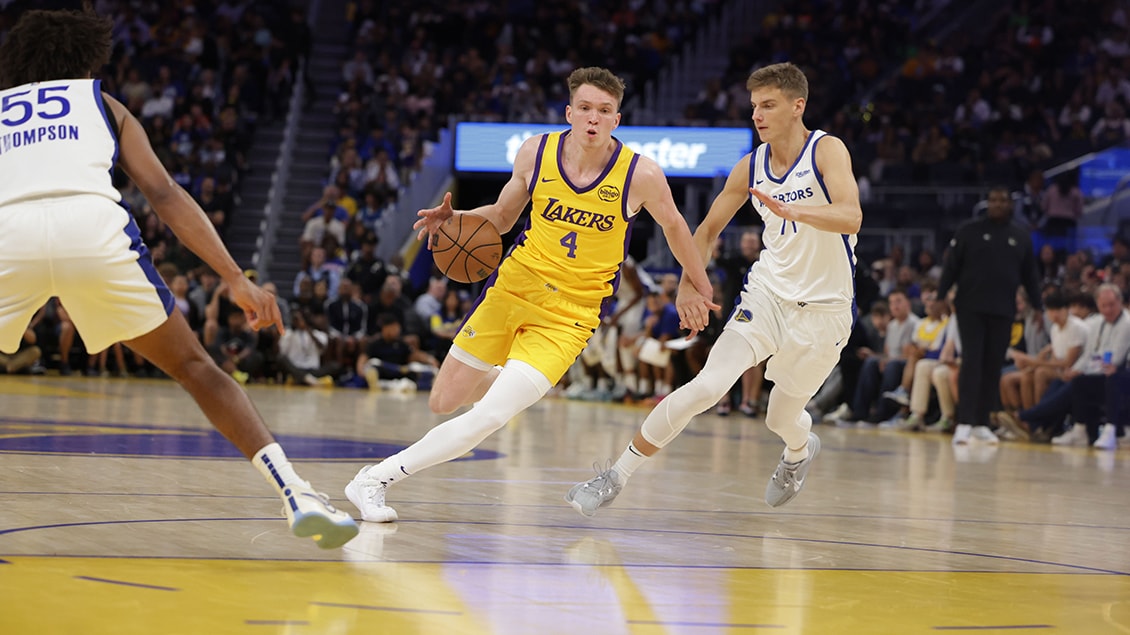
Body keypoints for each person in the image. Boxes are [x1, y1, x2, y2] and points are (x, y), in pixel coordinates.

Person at [0, 9, 356, 548]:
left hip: (10, 231)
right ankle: (296, 492)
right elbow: (163, 193)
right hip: (93, 228)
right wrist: (235, 277)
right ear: (89, 58)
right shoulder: (105, 104)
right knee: (196, 367)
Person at [343, 67, 717, 522]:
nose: (593, 119)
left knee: (489, 417)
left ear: (617, 120)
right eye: (584, 109)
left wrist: (698, 282)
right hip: (512, 288)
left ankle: (373, 480)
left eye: (603, 111)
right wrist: (457, 218)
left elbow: (677, 228)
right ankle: (509, 377)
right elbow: (501, 218)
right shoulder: (535, 153)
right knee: (443, 402)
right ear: (569, 112)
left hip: (570, 315)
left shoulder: (641, 174)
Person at [564, 62, 861, 517]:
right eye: (754, 106)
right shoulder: (751, 166)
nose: (757, 115)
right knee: (707, 386)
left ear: (797, 106)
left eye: (768, 105)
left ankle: (799, 452)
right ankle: (616, 475)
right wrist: (688, 285)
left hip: (825, 309)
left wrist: (796, 212)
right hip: (767, 296)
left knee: (780, 417)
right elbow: (704, 232)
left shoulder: (827, 151)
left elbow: (851, 216)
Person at [937, 186, 1043, 446]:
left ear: (1010, 204)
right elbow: (951, 267)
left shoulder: (1020, 236)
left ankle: (983, 423)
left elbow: (1031, 275)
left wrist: (1038, 307)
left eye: (1002, 200)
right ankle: (964, 423)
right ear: (987, 203)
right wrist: (940, 297)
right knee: (972, 363)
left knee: (992, 366)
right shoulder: (969, 231)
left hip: (1003, 309)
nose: (997, 204)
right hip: (970, 308)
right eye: (993, 200)